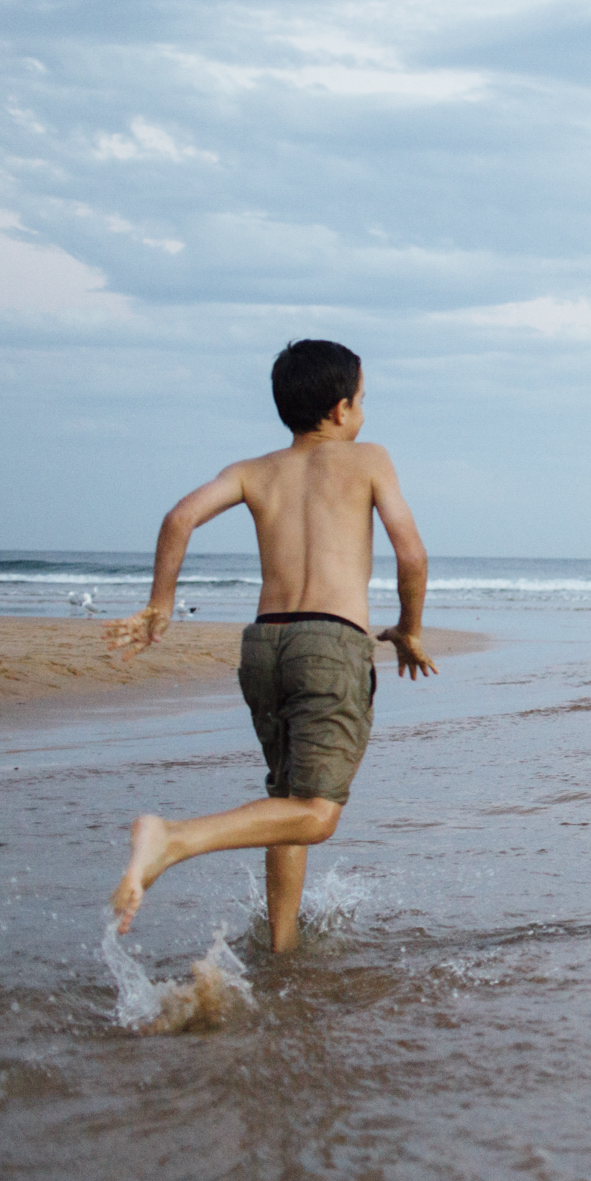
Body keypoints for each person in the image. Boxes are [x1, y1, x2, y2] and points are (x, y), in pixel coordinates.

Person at [105, 339, 438, 951]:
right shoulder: (368, 458)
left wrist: (161, 604)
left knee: (286, 798)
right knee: (316, 814)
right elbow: (411, 554)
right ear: (341, 410)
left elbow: (180, 516)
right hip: (329, 644)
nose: (364, 412)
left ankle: (282, 948)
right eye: (362, 400)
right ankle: (173, 839)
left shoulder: (253, 471)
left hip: (263, 647)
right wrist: (408, 630)